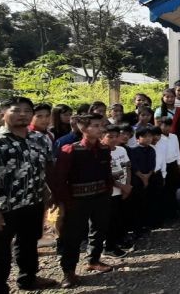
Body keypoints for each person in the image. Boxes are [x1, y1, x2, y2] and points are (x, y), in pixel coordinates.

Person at [0, 97, 58, 293]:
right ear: (3, 114)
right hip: (3, 207)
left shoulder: (39, 139)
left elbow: (45, 168)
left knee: (28, 243)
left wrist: (49, 192)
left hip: (33, 203)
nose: (22, 114)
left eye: (27, 111)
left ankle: (28, 279)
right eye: (16, 110)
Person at [52, 113, 114, 288]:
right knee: (72, 236)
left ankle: (94, 259)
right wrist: (64, 202)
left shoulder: (104, 149)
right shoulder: (70, 150)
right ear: (83, 128)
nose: (99, 129)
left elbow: (107, 172)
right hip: (77, 200)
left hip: (101, 196)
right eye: (95, 125)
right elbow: (60, 179)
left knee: (99, 229)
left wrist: (107, 190)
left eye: (100, 125)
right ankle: (68, 271)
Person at [102, 124, 132, 259]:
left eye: (116, 136)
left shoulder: (121, 150)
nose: (113, 139)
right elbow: (106, 175)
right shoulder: (102, 152)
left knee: (119, 217)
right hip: (110, 191)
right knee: (109, 220)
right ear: (103, 136)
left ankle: (116, 242)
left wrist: (127, 185)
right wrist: (122, 186)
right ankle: (108, 247)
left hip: (123, 189)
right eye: (110, 137)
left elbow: (128, 167)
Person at [128, 127, 156, 236]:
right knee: (136, 204)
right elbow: (133, 166)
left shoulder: (152, 149)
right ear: (138, 139)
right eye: (144, 136)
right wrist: (143, 177)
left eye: (149, 136)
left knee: (146, 202)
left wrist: (148, 176)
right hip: (137, 180)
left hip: (149, 179)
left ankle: (144, 225)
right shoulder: (133, 150)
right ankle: (136, 228)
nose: (148, 139)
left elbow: (153, 165)